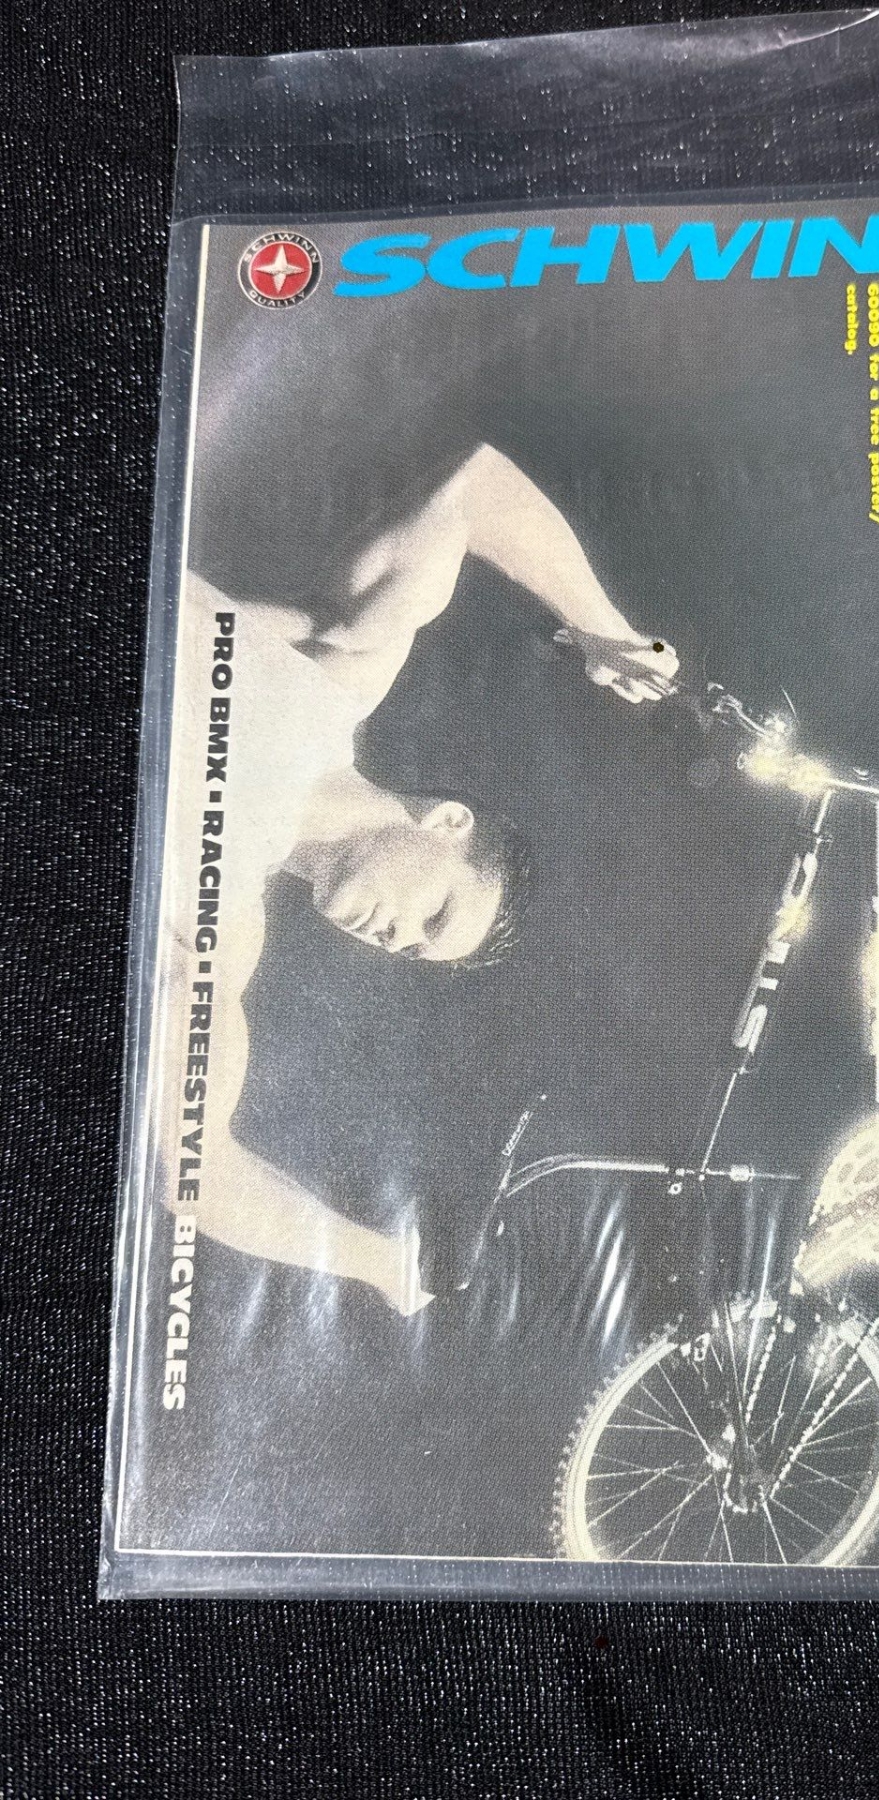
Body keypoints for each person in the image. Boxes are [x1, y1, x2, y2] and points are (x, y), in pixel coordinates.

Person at [157, 444, 677, 1314]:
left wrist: (380, 1261)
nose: (394, 938)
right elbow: (472, 487)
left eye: (410, 950)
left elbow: (195, 1170)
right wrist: (605, 628)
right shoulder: (335, 669)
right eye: (432, 916)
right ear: (445, 823)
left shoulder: (217, 939)